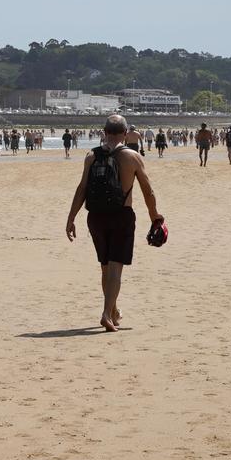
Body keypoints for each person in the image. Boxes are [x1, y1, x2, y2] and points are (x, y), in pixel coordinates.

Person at [65, 113, 163, 332]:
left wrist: (71, 217)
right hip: (122, 215)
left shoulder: (92, 156)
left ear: (104, 132)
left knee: (105, 267)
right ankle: (107, 314)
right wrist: (154, 216)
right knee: (116, 269)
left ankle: (114, 310)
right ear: (126, 133)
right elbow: (148, 191)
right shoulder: (133, 157)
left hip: (96, 216)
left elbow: (82, 188)